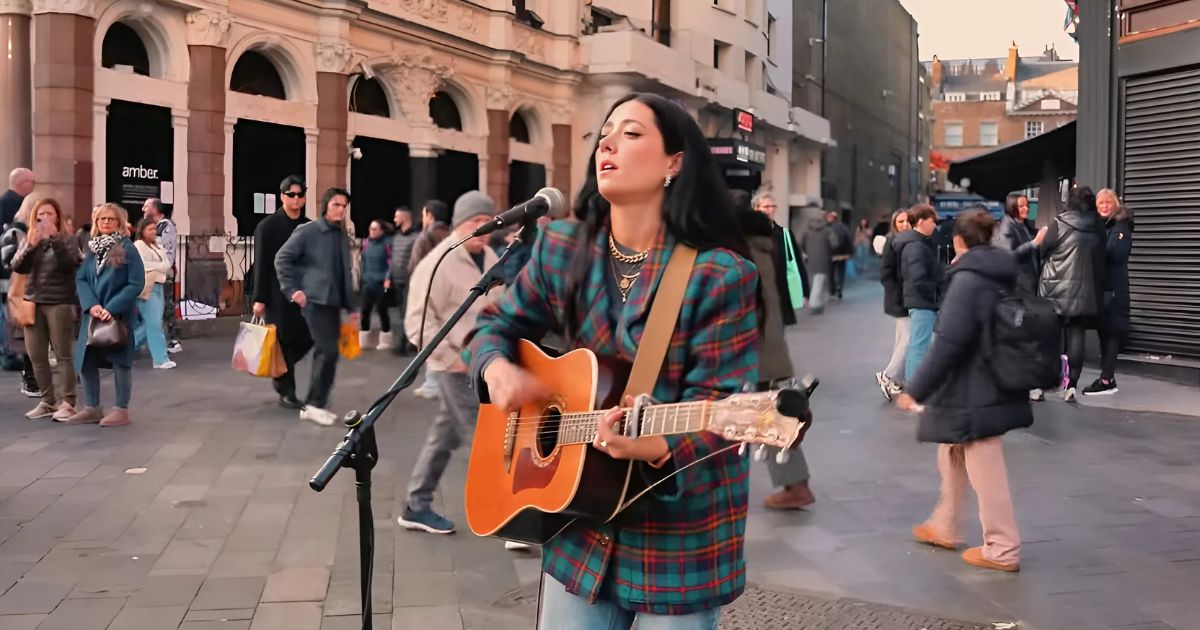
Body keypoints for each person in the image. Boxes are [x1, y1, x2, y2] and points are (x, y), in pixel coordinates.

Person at [468, 92, 760, 628]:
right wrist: (496, 368)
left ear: (675, 162)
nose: (607, 142)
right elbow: (495, 326)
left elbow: (727, 409)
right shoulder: (563, 247)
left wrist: (655, 447)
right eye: (604, 133)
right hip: (579, 527)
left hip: (677, 543)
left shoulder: (719, 275)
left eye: (630, 133)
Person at [896, 210, 1029, 573]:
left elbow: (949, 342)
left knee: (985, 463)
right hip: (987, 378)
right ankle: (946, 523)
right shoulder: (1000, 272)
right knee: (952, 449)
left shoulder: (970, 279)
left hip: (975, 385)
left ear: (958, 240)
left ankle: (1002, 548)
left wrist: (916, 390)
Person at [398, 191, 499, 534]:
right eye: (476, 222)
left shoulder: (489, 255)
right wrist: (451, 359)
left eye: (489, 221)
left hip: (486, 363)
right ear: (460, 224)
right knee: (485, 437)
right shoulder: (438, 262)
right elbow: (417, 322)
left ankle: (416, 503)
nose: (483, 228)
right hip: (455, 367)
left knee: (446, 434)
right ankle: (510, 516)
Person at [735, 190, 814, 510]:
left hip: (753, 349)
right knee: (769, 411)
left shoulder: (744, 249)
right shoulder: (760, 243)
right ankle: (795, 485)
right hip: (764, 347)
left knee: (766, 413)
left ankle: (796, 485)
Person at [275, 187, 356, 426]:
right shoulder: (309, 231)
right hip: (315, 301)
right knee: (327, 350)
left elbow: (344, 272)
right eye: (335, 205)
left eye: (343, 206)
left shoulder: (340, 235)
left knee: (329, 353)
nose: (340, 210)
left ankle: (318, 403)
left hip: (333, 302)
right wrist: (292, 290)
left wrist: (350, 306)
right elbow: (282, 258)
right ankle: (313, 405)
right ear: (326, 207)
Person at [70, 203, 145, 427]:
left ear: (119, 223)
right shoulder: (92, 249)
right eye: (102, 219)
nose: (105, 222)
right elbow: (81, 278)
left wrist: (111, 308)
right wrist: (91, 304)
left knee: (120, 361)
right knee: (86, 360)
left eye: (110, 219)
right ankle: (92, 407)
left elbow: (135, 282)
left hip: (117, 315)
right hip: (92, 315)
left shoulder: (127, 248)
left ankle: (121, 409)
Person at [11, 198, 82, 420]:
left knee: (63, 354)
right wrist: (31, 245)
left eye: (50, 214)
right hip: (33, 301)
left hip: (59, 302)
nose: (45, 218)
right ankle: (48, 400)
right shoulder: (30, 239)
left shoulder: (68, 240)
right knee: (36, 355)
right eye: (41, 214)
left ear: (58, 217)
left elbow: (69, 264)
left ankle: (67, 402)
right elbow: (17, 266)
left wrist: (55, 239)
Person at [1038, 186, 1106, 402]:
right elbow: (1101, 258)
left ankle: (1040, 385)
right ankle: (1071, 386)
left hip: (1054, 289)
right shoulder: (1097, 226)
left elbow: (1042, 251)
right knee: (1077, 334)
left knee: (1049, 337)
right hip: (1085, 291)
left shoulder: (1059, 223)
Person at [252, 176, 313, 411]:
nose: (296, 199)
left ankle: (280, 370)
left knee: (307, 337)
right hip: (276, 294)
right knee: (284, 340)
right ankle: (287, 390)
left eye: (300, 195)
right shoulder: (267, 227)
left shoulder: (309, 226)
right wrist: (259, 298)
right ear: (282, 196)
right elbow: (261, 264)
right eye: (291, 195)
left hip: (303, 293)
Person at [992, 193, 1049, 402]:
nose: (1026, 209)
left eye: (1027, 205)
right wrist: (1034, 243)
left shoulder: (1021, 225)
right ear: (1012, 207)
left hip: (1025, 286)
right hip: (1017, 288)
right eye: (1022, 206)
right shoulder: (1008, 226)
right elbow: (1009, 256)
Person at [1083, 188, 1132, 396]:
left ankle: (1106, 380)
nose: (1103, 207)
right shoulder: (1104, 226)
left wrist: (1093, 247)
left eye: (1107, 203)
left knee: (1112, 333)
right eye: (1100, 204)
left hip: (1115, 289)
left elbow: (1116, 253)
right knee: (1105, 332)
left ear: (1115, 205)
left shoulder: (1120, 226)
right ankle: (1107, 377)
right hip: (1105, 288)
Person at [892, 204, 941, 383]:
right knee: (919, 346)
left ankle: (917, 385)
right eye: (932, 221)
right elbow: (918, 278)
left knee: (921, 344)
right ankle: (914, 387)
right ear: (921, 222)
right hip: (922, 301)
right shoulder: (916, 246)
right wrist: (934, 291)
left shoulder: (918, 244)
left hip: (921, 300)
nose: (934, 225)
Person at [409, 199, 451, 399]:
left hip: (430, 294)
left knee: (429, 338)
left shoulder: (425, 237)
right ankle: (443, 383)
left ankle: (433, 384)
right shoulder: (453, 236)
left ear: (429, 215)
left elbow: (416, 267)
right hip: (450, 294)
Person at [3, 193, 43, 396]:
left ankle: (34, 379)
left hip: (38, 289)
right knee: (24, 333)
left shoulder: (44, 231)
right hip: (20, 289)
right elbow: (8, 261)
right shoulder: (16, 231)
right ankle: (30, 378)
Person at [875, 209, 911, 401]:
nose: (904, 224)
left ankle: (896, 379)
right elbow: (886, 273)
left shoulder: (910, 241)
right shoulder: (892, 242)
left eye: (907, 221)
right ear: (894, 224)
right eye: (900, 222)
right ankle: (888, 375)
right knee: (909, 338)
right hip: (899, 298)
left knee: (902, 339)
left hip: (907, 297)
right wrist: (896, 294)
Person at [132, 217, 176, 370]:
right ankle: (160, 359)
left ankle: (127, 348)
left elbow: (166, 264)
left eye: (154, 228)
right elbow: (141, 264)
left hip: (159, 286)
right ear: (142, 230)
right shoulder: (138, 245)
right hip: (147, 286)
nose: (153, 232)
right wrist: (158, 267)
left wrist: (156, 267)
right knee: (154, 323)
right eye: (150, 229)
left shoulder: (157, 245)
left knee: (152, 323)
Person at [754, 192, 808, 307]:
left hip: (780, 290)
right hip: (757, 291)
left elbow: (797, 262)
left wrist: (805, 291)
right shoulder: (750, 234)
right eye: (766, 206)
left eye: (773, 206)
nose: (771, 210)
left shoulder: (784, 234)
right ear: (756, 209)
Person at [142, 198, 181, 354]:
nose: (143, 208)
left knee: (165, 306)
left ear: (156, 209)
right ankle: (166, 339)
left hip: (162, 272)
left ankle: (172, 340)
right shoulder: (159, 226)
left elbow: (162, 251)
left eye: (146, 206)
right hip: (158, 271)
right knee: (160, 306)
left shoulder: (165, 227)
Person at [359, 219, 393, 350]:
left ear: (382, 231)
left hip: (381, 283)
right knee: (365, 311)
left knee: (382, 311)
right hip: (369, 282)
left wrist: (387, 278)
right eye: (370, 229)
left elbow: (391, 263)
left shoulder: (387, 243)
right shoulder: (366, 243)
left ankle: (385, 340)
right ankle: (364, 340)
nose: (371, 232)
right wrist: (363, 277)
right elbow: (363, 262)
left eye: (374, 229)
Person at [389, 207, 420, 355]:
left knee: (407, 313)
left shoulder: (416, 237)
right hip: (396, 280)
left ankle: (403, 345)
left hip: (410, 280)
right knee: (399, 313)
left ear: (405, 218)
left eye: (396, 217)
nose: (394, 220)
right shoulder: (396, 237)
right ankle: (403, 343)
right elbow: (393, 259)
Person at [800, 211, 835, 314]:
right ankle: (815, 304)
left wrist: (807, 252)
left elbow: (801, 244)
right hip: (823, 260)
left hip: (810, 261)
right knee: (819, 283)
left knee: (813, 282)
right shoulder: (828, 231)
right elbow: (835, 244)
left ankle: (817, 303)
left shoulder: (806, 231)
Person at [827, 211, 853, 298]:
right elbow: (848, 240)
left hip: (831, 253)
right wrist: (850, 252)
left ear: (832, 218)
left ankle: (832, 289)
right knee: (840, 272)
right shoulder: (843, 227)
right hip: (842, 253)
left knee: (831, 272)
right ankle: (839, 287)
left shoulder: (827, 228)